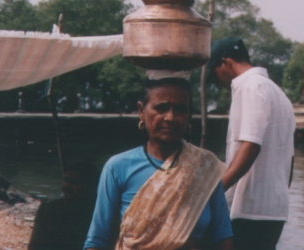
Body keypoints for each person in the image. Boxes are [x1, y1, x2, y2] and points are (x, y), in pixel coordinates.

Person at [84, 77, 233, 250]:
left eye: (180, 109)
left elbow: (223, 237)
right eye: (161, 108)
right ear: (141, 111)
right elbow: (97, 241)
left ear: (189, 115)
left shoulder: (205, 167)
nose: (171, 117)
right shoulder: (118, 167)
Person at [206, 37, 295, 250]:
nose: (218, 81)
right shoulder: (279, 93)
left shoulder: (250, 87)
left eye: (215, 72)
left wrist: (214, 191)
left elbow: (250, 145)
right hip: (274, 209)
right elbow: (290, 159)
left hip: (249, 208)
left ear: (225, 62)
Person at [28, 162, 100, 250]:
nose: (66, 186)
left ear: (89, 188)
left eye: (74, 182)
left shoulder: (95, 215)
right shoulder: (50, 209)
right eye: (66, 180)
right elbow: (35, 246)